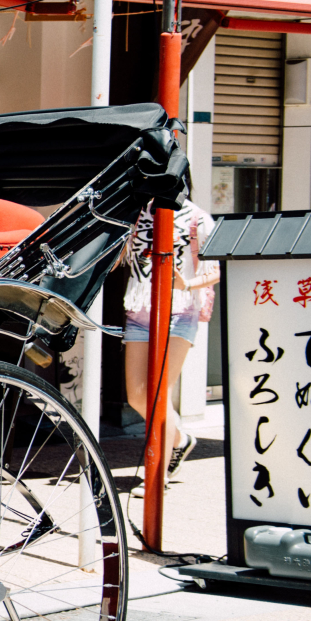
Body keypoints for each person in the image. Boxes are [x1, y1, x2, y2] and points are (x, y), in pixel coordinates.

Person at [122, 200, 217, 475]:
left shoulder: (198, 219)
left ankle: (156, 474)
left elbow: (217, 270)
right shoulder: (137, 215)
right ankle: (179, 439)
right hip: (139, 312)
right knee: (137, 397)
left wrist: (186, 283)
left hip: (180, 312)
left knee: (159, 395)